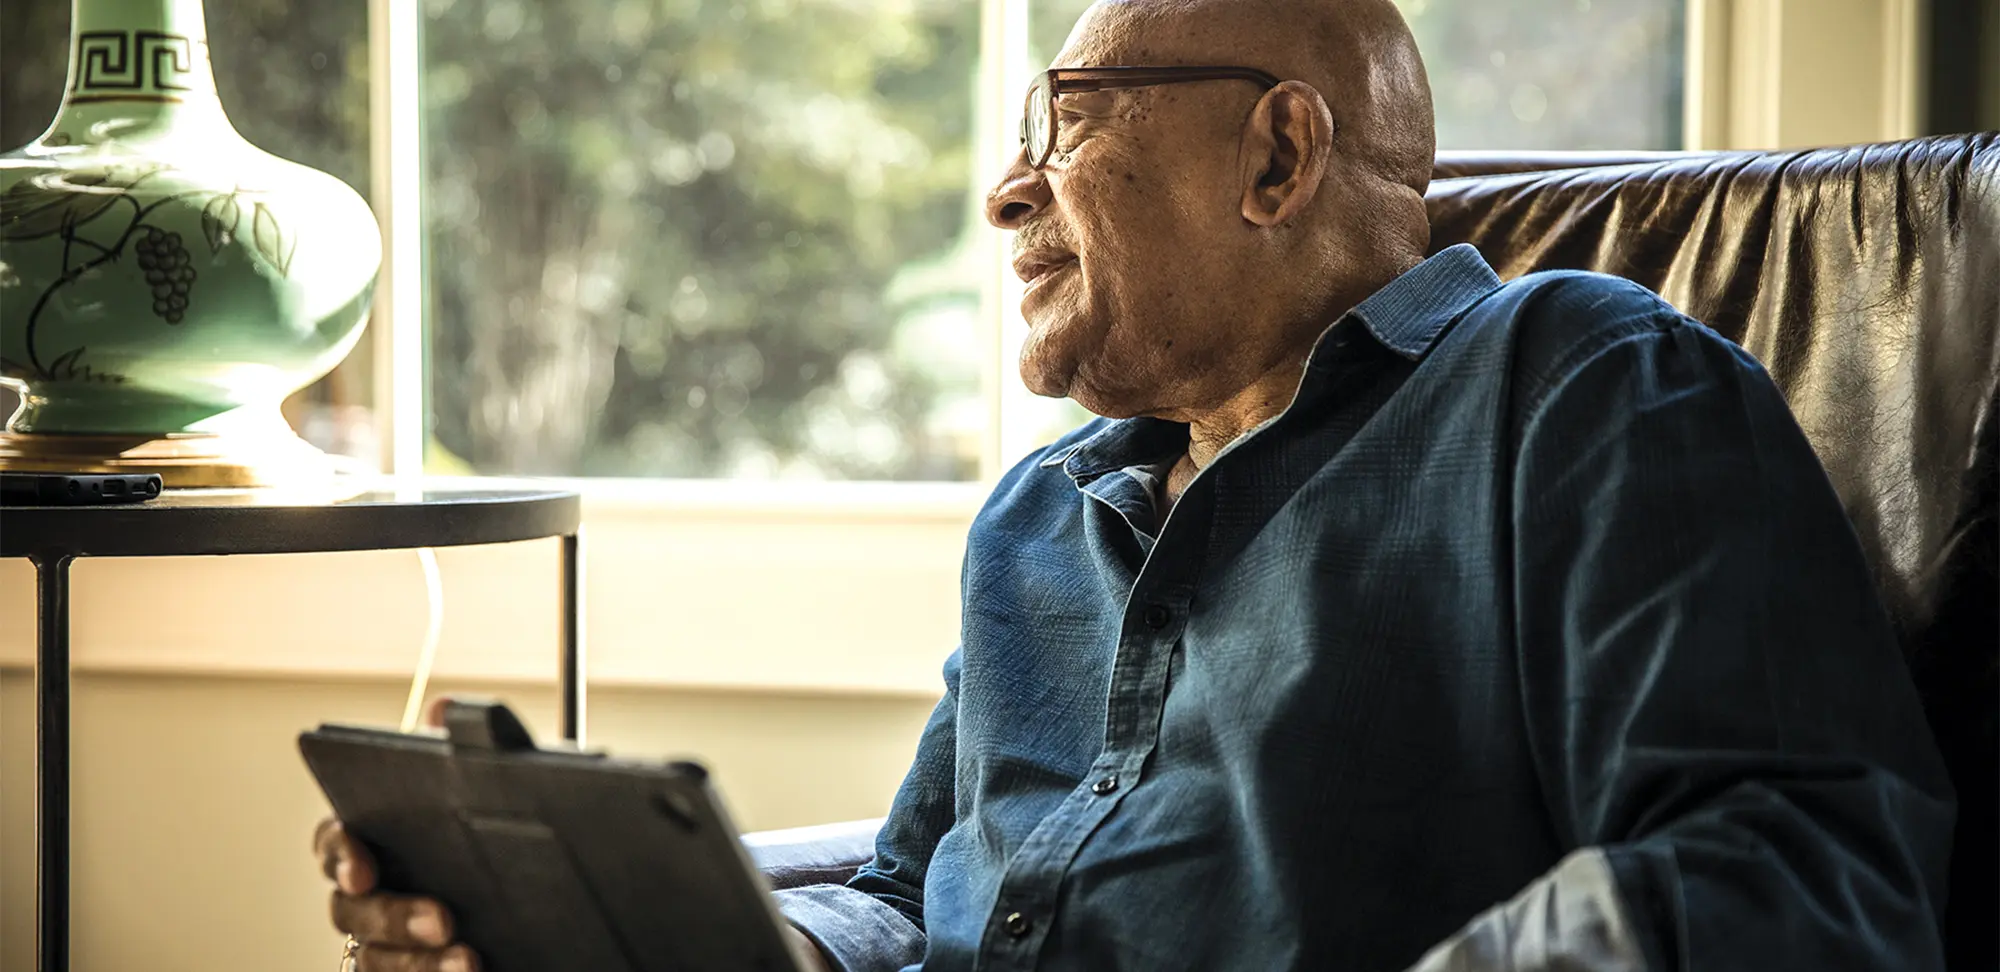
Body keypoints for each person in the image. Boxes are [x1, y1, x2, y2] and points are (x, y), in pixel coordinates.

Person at [313, 0, 1957, 968]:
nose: (1002, 187)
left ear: (1279, 156)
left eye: (1069, 116)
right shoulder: (1042, 516)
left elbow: (1795, 867)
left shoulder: (1582, 385)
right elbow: (912, 885)